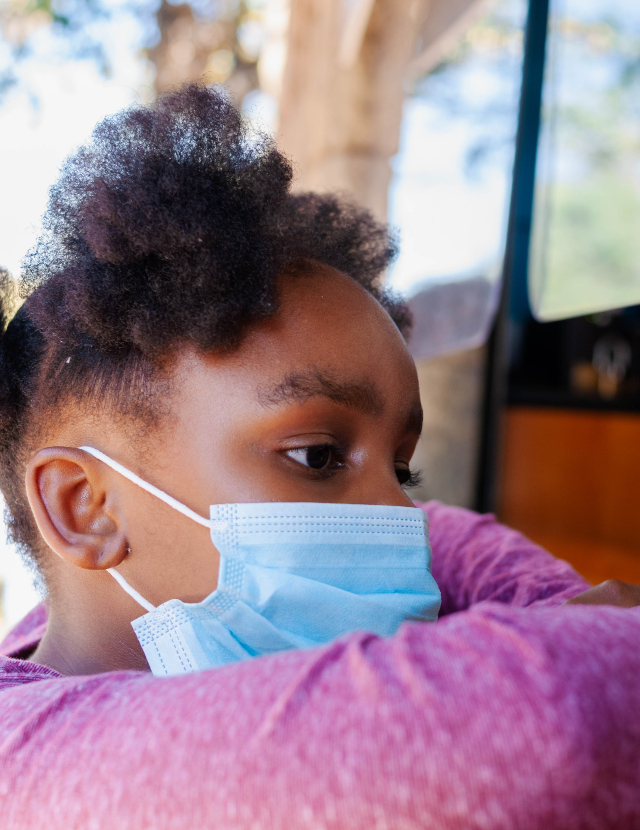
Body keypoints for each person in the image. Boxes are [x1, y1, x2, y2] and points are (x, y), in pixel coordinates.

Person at [1, 84, 639, 829]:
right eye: (318, 455)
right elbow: (566, 717)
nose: (400, 516)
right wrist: (580, 633)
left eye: (401, 467)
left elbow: (457, 542)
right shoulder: (29, 759)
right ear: (85, 507)